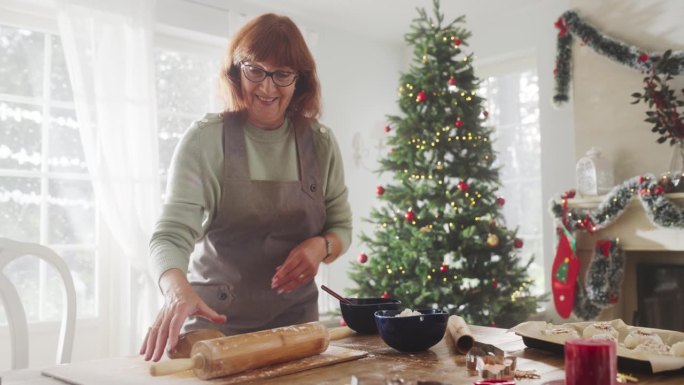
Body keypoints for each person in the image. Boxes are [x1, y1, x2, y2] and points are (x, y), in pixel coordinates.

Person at [139, 13, 352, 362]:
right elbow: (170, 235)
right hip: (213, 326)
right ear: (236, 71)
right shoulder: (205, 141)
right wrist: (177, 292)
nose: (267, 87)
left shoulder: (321, 144)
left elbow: (342, 227)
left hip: (294, 328)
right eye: (255, 70)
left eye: (282, 74)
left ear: (299, 80)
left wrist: (320, 245)